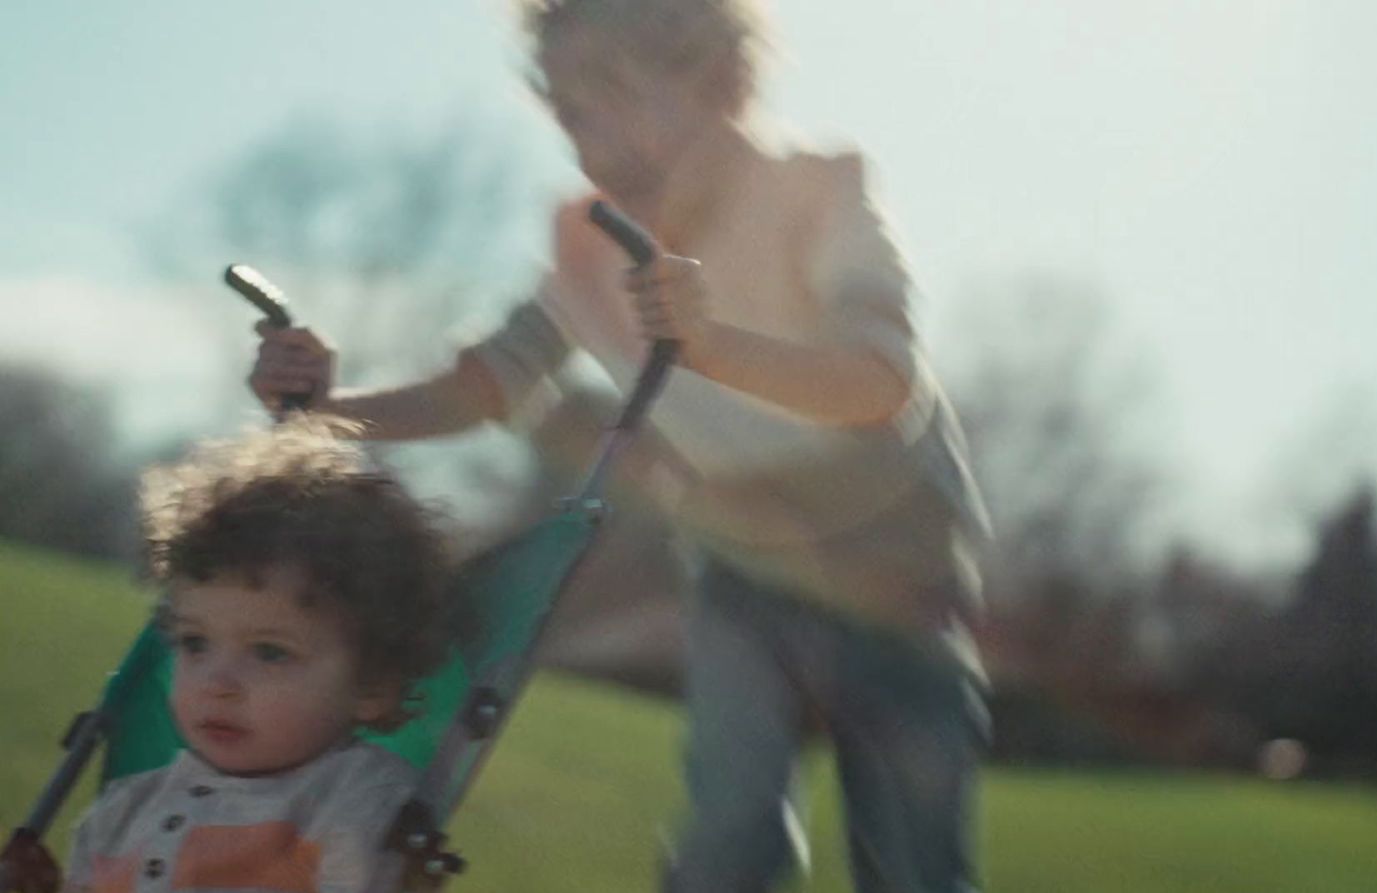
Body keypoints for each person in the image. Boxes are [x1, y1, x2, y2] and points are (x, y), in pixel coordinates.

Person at [250, 0, 991, 889]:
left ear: (722, 81)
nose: (586, 138)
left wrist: (713, 344)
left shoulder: (821, 189)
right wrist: (326, 411)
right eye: (566, 109)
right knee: (727, 832)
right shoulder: (590, 242)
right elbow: (487, 385)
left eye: (609, 94)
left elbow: (881, 384)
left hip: (894, 574)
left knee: (911, 856)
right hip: (742, 567)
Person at [63, 417, 454, 893]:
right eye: (194, 644)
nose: (217, 682)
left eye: (270, 653)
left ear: (371, 685)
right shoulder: (122, 812)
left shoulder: (357, 801)